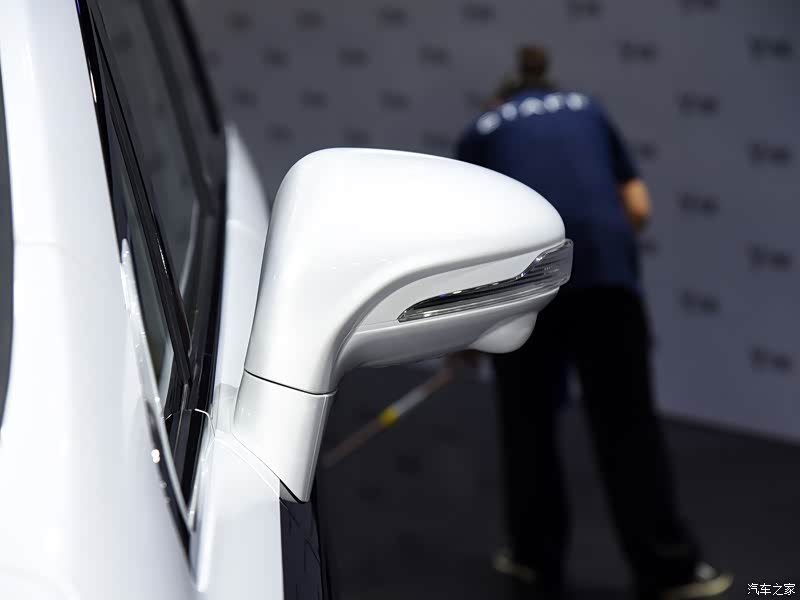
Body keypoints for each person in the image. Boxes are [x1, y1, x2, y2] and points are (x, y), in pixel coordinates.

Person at [455, 46, 732, 600]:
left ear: (500, 98)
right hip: (605, 275)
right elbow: (638, 208)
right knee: (627, 423)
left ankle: (533, 560)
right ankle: (671, 571)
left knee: (528, 425)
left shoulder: (481, 129)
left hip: (530, 286)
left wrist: (467, 334)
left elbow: (473, 238)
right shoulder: (588, 108)